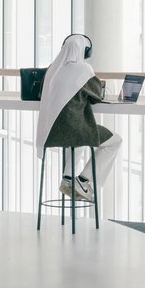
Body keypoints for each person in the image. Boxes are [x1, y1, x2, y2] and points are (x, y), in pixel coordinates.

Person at [36, 34, 122, 202]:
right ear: (85, 50)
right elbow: (97, 95)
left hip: (51, 132)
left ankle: (67, 179)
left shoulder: (53, 70)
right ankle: (82, 180)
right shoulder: (84, 69)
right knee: (114, 141)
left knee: (79, 134)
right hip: (73, 131)